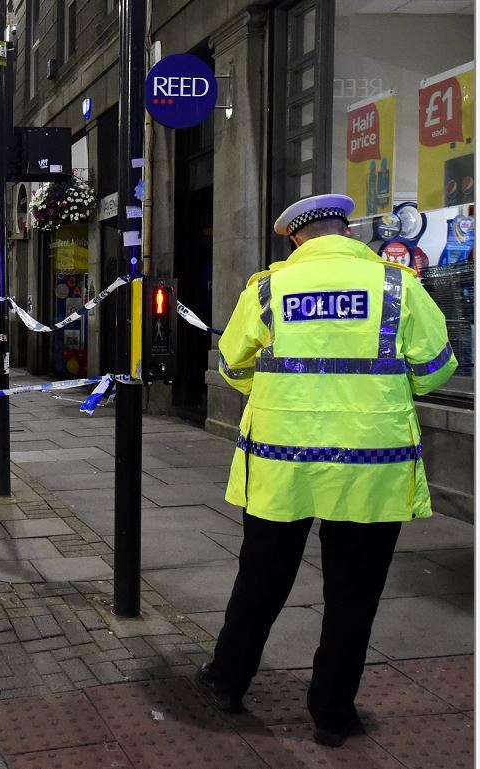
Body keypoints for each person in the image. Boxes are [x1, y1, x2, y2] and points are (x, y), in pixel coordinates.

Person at [196, 194, 457, 748]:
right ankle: (333, 715)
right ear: (348, 231)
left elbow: (232, 364)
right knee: (353, 595)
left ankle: (226, 681)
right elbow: (435, 370)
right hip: (371, 467)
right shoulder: (397, 285)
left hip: (281, 465)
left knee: (261, 580)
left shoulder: (266, 290)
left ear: (295, 239)